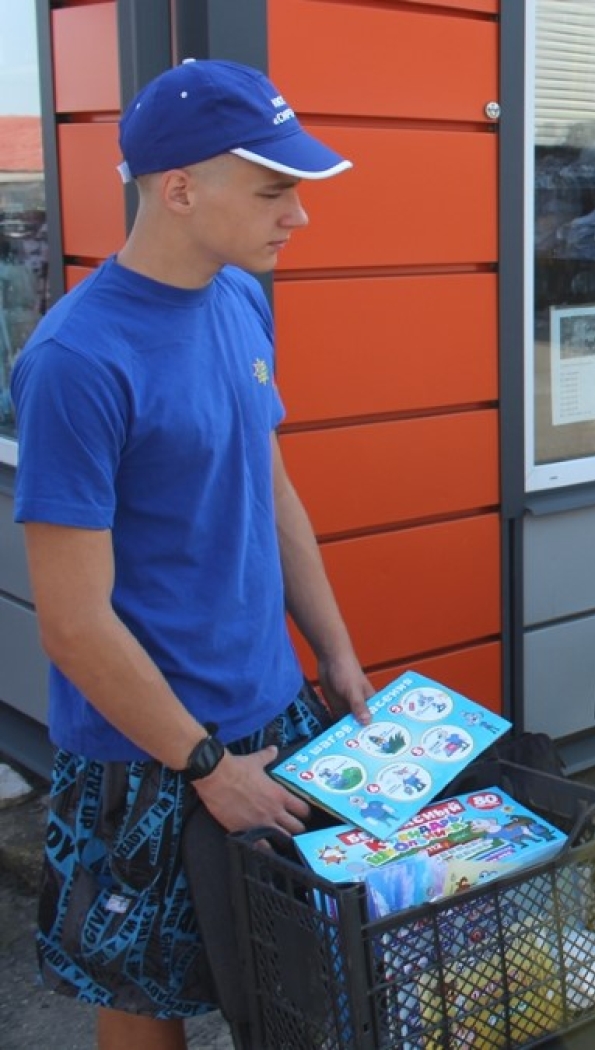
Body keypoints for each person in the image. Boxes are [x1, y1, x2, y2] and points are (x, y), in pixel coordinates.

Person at [9, 59, 372, 1050]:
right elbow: (75, 622)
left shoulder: (239, 301)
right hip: (145, 754)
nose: (296, 215)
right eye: (272, 190)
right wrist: (203, 763)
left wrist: (332, 650)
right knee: (142, 996)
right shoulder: (74, 362)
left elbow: (270, 487)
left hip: (273, 705)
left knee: (302, 980)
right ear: (179, 190)